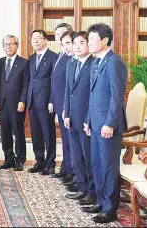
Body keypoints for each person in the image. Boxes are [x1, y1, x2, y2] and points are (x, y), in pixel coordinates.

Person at [83, 24, 127, 224]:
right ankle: (101, 201)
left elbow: (117, 98)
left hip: (108, 126)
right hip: (95, 124)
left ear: (105, 41)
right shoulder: (96, 62)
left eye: (92, 39)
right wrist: (89, 121)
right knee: (97, 164)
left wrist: (110, 123)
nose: (89, 43)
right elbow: (93, 96)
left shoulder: (114, 63)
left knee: (108, 167)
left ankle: (110, 209)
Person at [63, 31, 96, 206]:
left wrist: (89, 119)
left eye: (81, 43)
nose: (76, 47)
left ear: (89, 45)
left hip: (86, 120)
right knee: (76, 155)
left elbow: (93, 95)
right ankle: (82, 187)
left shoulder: (93, 65)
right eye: (74, 43)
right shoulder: (71, 64)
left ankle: (92, 191)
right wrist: (66, 112)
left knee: (87, 156)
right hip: (72, 118)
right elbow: (68, 91)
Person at [27, 30, 58, 175]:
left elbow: (55, 82)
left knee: (48, 133)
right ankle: (39, 161)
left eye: (38, 38)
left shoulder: (53, 57)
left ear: (45, 40)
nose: (35, 41)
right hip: (32, 100)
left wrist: (52, 100)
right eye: (33, 38)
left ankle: (50, 163)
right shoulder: (32, 58)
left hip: (46, 102)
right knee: (36, 133)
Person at [0, 35, 29, 171]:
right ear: (3, 46)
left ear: (17, 45)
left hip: (17, 104)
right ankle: (8, 159)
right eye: (6, 44)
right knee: (5, 133)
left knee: (18, 132)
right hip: (2, 104)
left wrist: (22, 101)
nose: (9, 46)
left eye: (12, 44)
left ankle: (20, 159)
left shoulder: (24, 63)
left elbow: (26, 84)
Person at [49, 24, 74, 180]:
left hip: (68, 105)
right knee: (64, 140)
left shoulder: (72, 56)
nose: (59, 36)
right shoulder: (60, 54)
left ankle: (72, 171)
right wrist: (52, 100)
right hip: (59, 102)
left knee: (71, 141)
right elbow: (55, 81)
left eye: (63, 34)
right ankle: (66, 168)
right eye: (57, 34)